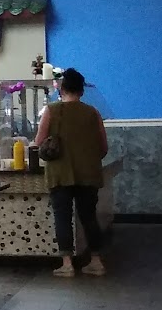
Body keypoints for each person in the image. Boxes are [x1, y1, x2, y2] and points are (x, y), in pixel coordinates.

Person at [34, 68, 109, 277]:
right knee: (89, 217)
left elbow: (39, 141)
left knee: (63, 218)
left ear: (62, 89)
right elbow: (103, 147)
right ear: (82, 91)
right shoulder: (93, 112)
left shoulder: (51, 110)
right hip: (89, 174)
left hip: (59, 173)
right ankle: (96, 262)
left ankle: (67, 264)